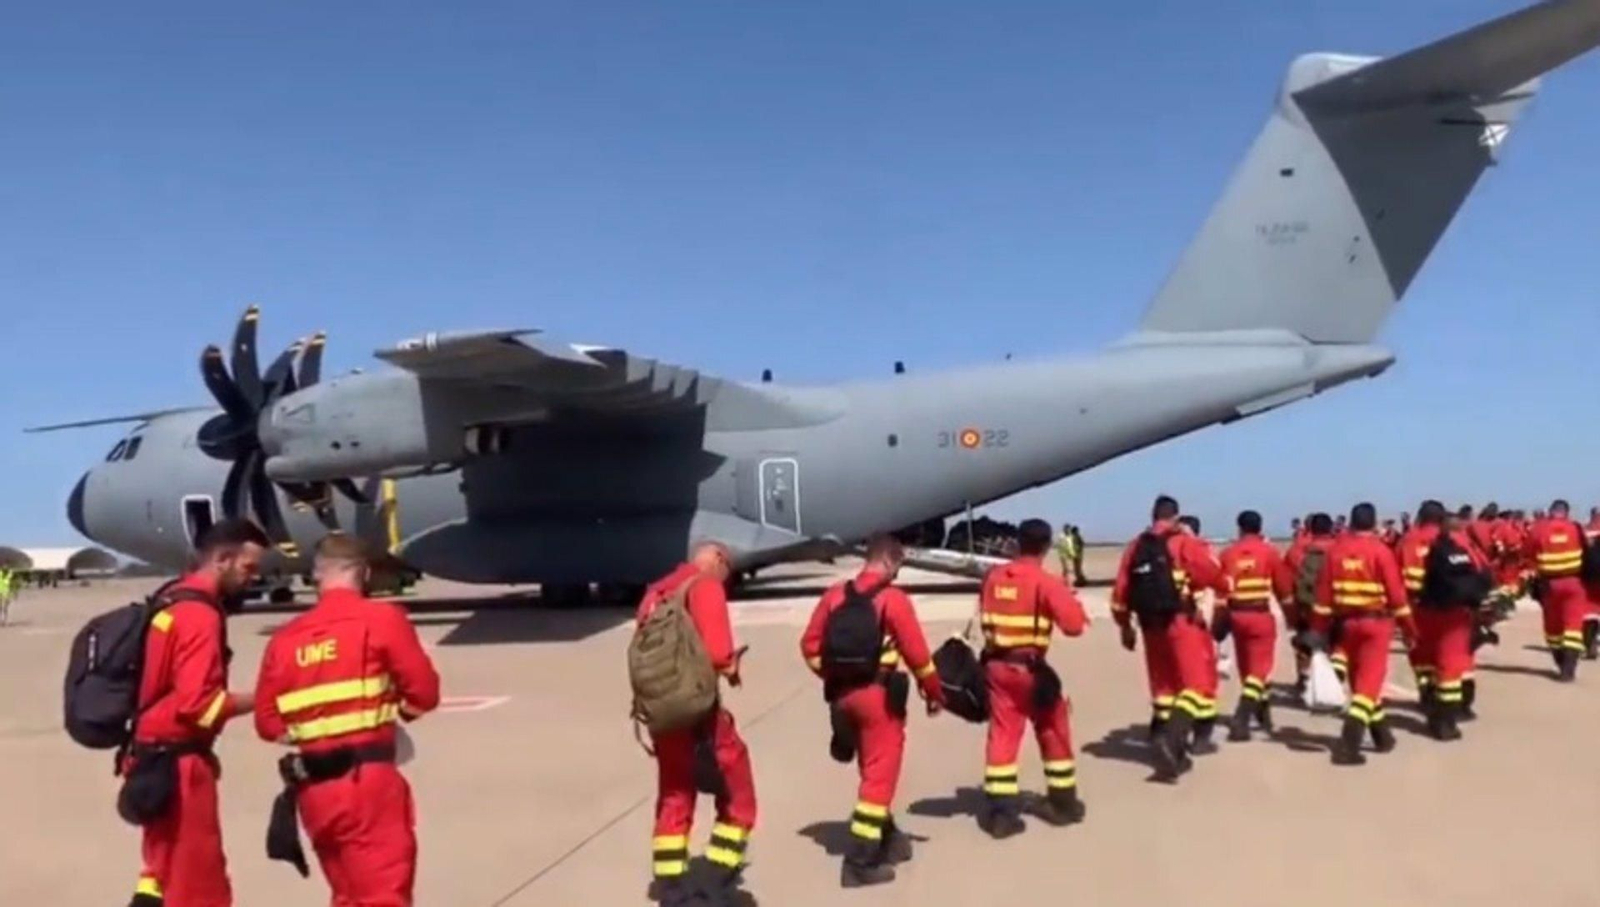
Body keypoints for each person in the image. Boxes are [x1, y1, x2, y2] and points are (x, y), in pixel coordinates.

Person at [253, 533, 441, 907]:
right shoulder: (381, 619)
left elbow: (267, 723)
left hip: (314, 790)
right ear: (364, 573)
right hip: (367, 783)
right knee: (383, 895)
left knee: (346, 896)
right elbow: (424, 693)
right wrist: (397, 716)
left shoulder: (285, 639)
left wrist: (316, 734)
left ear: (317, 576)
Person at [127, 519, 267, 907]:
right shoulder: (199, 616)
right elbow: (200, 707)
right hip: (178, 768)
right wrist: (263, 698)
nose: (253, 577)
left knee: (160, 871)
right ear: (222, 559)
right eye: (248, 567)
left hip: (148, 758)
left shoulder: (170, 598)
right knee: (199, 882)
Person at [799, 534, 942, 888]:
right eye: (898, 566)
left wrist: (832, 676)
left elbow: (809, 646)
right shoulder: (892, 599)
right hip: (878, 699)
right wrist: (934, 693)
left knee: (870, 771)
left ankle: (888, 837)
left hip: (842, 698)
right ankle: (860, 862)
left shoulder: (834, 595)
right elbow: (918, 656)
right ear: (889, 562)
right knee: (879, 778)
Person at [638, 542, 756, 906]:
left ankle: (672, 890)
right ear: (718, 561)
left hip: (661, 712)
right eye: (728, 572)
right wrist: (732, 666)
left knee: (675, 794)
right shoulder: (705, 586)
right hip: (698, 714)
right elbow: (718, 654)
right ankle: (717, 882)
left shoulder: (656, 594)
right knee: (738, 795)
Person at [974, 518, 1090, 837]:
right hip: (1030, 669)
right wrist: (1072, 602)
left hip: (997, 667)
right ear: (1047, 546)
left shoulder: (993, 577)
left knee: (1003, 735)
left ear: (1017, 543)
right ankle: (1062, 802)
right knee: (1053, 725)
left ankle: (1001, 813)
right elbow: (1074, 626)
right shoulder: (1045, 581)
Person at [1111, 495, 1225, 781]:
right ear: (1175, 517)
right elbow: (1212, 573)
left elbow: (1120, 593)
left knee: (1164, 687)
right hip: (1180, 620)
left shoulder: (1135, 546)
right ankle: (1173, 739)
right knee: (1196, 686)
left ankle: (1164, 740)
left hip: (1149, 624)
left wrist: (1125, 627)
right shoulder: (1183, 542)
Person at [1308, 503, 1415, 766]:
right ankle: (1348, 745)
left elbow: (1322, 598)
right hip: (1375, 625)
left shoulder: (1334, 552)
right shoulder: (1381, 551)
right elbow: (1397, 596)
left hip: (1345, 624)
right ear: (1374, 523)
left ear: (1351, 522)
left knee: (1360, 682)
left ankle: (1382, 736)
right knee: (1369, 685)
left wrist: (1317, 630)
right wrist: (1409, 629)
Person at [1401, 501, 1489, 739]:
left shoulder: (1409, 540)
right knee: (1455, 659)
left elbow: (1401, 578)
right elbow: (1481, 570)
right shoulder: (1458, 540)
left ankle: (1429, 698)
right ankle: (1457, 709)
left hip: (1419, 608)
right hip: (1455, 610)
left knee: (1423, 657)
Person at [1216, 510, 1284, 741]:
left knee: (1247, 670)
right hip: (1259, 615)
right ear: (1260, 528)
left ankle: (1263, 716)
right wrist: (1293, 615)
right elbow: (1283, 588)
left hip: (1236, 616)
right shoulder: (1269, 552)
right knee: (1260, 670)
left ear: (1239, 528)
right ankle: (1241, 718)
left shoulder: (1227, 554)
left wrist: (1219, 621)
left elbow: (1221, 589)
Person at [1525, 500, 1588, 681]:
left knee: (1553, 627)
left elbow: (1527, 554)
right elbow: (1587, 552)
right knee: (1573, 625)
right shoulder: (1576, 528)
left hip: (1549, 585)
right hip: (1575, 583)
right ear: (1567, 512)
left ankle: (1560, 661)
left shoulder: (1538, 529)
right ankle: (1569, 668)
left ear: (1550, 511)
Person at [1177, 515, 1223, 753]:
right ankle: (1196, 735)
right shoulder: (1197, 550)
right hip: (1193, 622)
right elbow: (1219, 579)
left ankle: (1180, 732)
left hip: (1184, 620)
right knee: (1200, 680)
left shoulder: (1185, 549)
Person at [1277, 513, 1338, 692]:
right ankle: (1332, 679)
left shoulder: (1297, 549)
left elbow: (1286, 581)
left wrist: (1290, 613)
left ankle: (1303, 678)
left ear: (1309, 528)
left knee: (1304, 643)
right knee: (1335, 644)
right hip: (1334, 606)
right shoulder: (1339, 548)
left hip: (1306, 605)